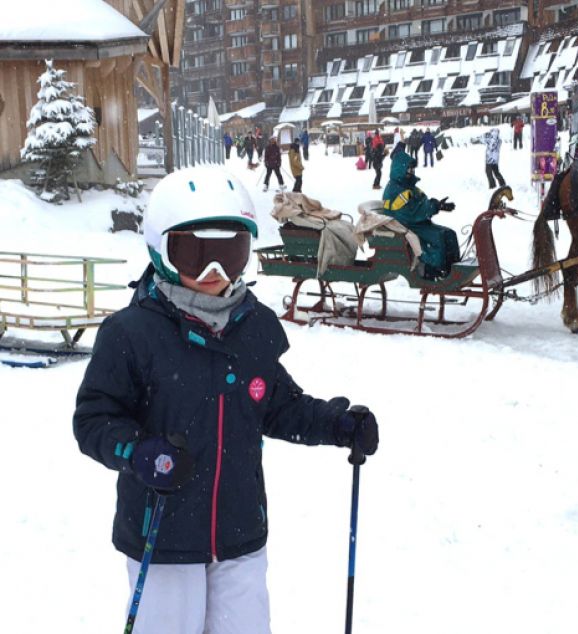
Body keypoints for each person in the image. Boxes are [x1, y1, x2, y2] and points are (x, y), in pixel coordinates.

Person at [73, 166, 379, 634]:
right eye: (196, 255)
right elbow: (94, 419)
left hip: (239, 533)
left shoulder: (251, 326)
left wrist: (337, 425)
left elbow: (277, 404)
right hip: (164, 532)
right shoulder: (132, 333)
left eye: (229, 254)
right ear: (162, 250)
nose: (214, 273)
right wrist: (138, 452)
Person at [382, 150, 459, 280]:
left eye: (412, 169)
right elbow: (410, 213)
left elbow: (422, 201)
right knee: (437, 238)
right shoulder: (395, 189)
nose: (412, 172)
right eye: (409, 169)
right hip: (407, 224)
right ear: (400, 170)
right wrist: (434, 207)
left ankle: (452, 269)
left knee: (449, 234)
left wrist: (437, 205)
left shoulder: (409, 186)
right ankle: (433, 270)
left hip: (417, 222)